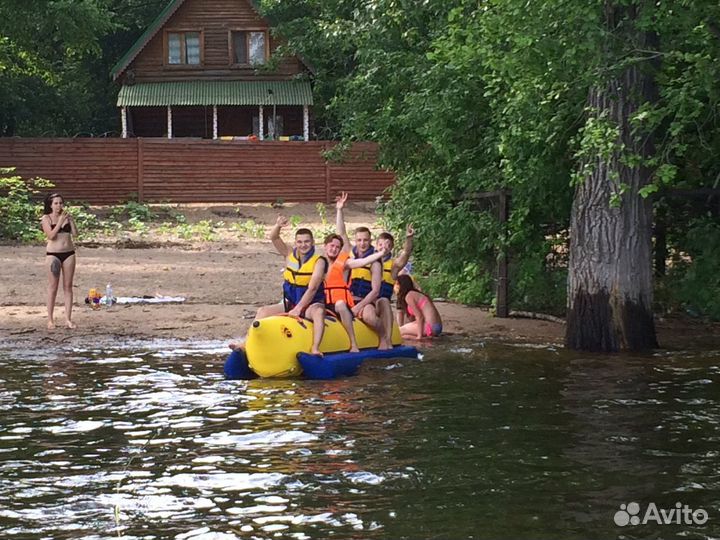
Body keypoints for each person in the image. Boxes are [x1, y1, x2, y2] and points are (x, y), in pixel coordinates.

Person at [244, 216, 328, 355]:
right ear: (295, 243)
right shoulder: (289, 253)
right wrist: (278, 226)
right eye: (300, 242)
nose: (303, 245)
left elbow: (313, 288)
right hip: (290, 302)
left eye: (307, 241)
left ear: (312, 242)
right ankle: (246, 344)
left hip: (311, 304)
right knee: (262, 312)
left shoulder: (319, 261)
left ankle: (315, 347)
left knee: (318, 313)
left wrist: (299, 308)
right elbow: (274, 238)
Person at [323, 200, 388, 351]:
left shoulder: (375, 263)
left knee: (369, 318)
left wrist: (360, 305)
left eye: (365, 240)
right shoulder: (349, 253)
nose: (362, 243)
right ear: (355, 241)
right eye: (359, 240)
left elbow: (375, 291)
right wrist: (339, 210)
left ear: (370, 240)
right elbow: (341, 233)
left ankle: (383, 336)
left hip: (366, 301)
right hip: (349, 299)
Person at [41, 193, 78, 330]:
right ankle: (50, 319)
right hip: (53, 254)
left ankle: (68, 319)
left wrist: (71, 221)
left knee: (68, 287)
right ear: (50, 205)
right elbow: (51, 235)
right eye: (56, 203)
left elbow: (75, 234)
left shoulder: (66, 217)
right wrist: (60, 222)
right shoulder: (46, 218)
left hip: (69, 253)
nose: (59, 206)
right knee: (53, 287)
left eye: (61, 203)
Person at [396, 274, 443, 339]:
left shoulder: (409, 296)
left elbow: (419, 317)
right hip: (437, 326)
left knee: (398, 331)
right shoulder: (415, 294)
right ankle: (425, 338)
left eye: (397, 284)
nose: (395, 287)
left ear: (401, 285)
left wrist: (419, 336)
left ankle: (422, 338)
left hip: (430, 326)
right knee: (403, 336)